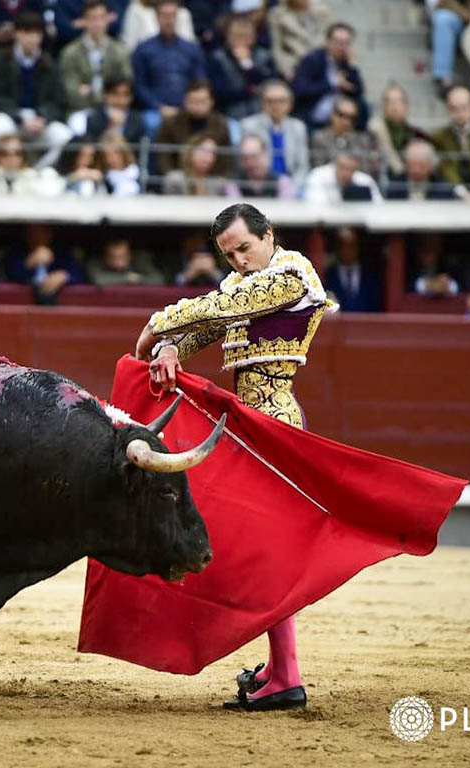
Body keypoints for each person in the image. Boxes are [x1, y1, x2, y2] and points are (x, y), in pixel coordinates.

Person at [134, 203, 339, 712]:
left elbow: (225, 305)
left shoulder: (293, 274)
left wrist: (157, 324)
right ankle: (280, 666)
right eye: (229, 255)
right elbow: (211, 321)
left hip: (275, 424)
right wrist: (170, 349)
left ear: (269, 236)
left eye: (245, 248)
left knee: (263, 552)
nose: (240, 262)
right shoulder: (241, 286)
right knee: (256, 550)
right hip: (249, 423)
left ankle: (287, 674)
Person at [0, 11, 72, 169]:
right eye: (27, 33)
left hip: (40, 121)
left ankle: (36, 172)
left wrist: (42, 117)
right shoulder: (1, 60)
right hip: (13, 118)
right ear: (17, 34)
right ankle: (6, 174)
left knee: (65, 137)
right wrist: (19, 117)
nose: (32, 38)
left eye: (37, 34)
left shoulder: (49, 64)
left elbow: (59, 101)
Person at [130, 0, 206, 136]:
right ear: (157, 18)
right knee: (150, 123)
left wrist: (189, 105)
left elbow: (199, 82)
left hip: (189, 108)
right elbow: (139, 86)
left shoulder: (192, 49)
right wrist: (159, 107)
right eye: (165, 16)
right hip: (154, 110)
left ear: (177, 18)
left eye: (172, 15)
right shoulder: (143, 50)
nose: (169, 20)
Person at [59, 0, 133, 115]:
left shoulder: (120, 51)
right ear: (84, 21)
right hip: (81, 111)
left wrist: (91, 92)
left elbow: (126, 87)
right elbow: (71, 93)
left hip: (115, 109)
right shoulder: (70, 53)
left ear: (108, 19)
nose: (98, 23)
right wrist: (109, 94)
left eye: (102, 18)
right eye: (93, 18)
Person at [292, 22, 366, 131]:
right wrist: (332, 83)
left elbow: (358, 92)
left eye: (346, 43)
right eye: (338, 42)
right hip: (313, 116)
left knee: (363, 105)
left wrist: (353, 67)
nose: (342, 47)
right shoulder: (312, 60)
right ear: (327, 41)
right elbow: (300, 90)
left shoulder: (347, 63)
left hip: (341, 118)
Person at [240, 80, 310, 193]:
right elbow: (246, 165)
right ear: (262, 104)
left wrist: (293, 190)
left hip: (291, 186)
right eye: (270, 101)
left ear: (290, 104)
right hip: (261, 186)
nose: (276, 106)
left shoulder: (298, 127)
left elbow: (302, 166)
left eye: (281, 101)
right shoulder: (249, 125)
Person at [154, 79, 232, 176]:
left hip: (212, 177)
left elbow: (226, 159)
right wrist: (170, 173)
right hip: (180, 175)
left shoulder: (220, 124)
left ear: (212, 101)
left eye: (202, 101)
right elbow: (163, 157)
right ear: (185, 101)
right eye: (193, 101)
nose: (198, 105)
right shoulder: (171, 123)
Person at [207, 14, 277, 120]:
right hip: (228, 115)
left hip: (262, 115)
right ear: (227, 36)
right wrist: (249, 91)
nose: (242, 40)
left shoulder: (265, 56)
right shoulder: (217, 58)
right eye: (237, 35)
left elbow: (270, 86)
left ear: (254, 37)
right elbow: (219, 92)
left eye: (246, 36)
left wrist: (247, 65)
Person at [5, 224, 83, 305]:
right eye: (31, 232)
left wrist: (64, 276)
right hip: (23, 306)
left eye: (39, 232)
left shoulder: (62, 254)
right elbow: (10, 275)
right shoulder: (16, 253)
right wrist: (27, 264)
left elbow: (79, 275)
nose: (34, 236)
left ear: (50, 234)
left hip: (57, 307)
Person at [367, 83, 428, 181]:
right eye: (389, 102)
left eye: (398, 102)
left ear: (406, 106)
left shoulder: (418, 135)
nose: (394, 106)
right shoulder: (373, 132)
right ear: (383, 106)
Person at [428, 0, 470, 97]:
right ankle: (444, 77)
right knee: (443, 19)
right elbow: (445, 2)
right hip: (462, 22)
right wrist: (468, 17)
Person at [0, 133, 66, 195]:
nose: (12, 157)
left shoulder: (30, 175)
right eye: (5, 153)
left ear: (23, 156)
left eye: (17, 153)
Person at [309, 96, 377, 174]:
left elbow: (366, 169)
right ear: (333, 114)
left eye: (352, 118)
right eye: (342, 115)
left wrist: (349, 140)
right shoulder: (320, 138)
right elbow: (319, 168)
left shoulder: (361, 140)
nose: (346, 122)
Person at [269, 0, 332, 82]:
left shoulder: (322, 11)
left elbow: (330, 37)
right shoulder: (278, 14)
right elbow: (276, 46)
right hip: (295, 63)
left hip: (321, 61)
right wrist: (285, 68)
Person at [323, 227, 381, 311]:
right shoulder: (327, 276)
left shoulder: (371, 277)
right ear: (337, 247)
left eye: (351, 245)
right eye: (343, 245)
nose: (347, 250)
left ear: (358, 247)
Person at [162, 134, 239, 196]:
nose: (210, 158)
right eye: (205, 151)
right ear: (190, 152)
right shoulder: (175, 179)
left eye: (213, 153)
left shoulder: (219, 183)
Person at [81, 75, 146, 143]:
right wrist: (113, 126)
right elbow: (93, 147)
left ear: (131, 97)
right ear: (105, 94)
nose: (121, 100)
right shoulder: (93, 118)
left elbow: (139, 150)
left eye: (125, 95)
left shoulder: (137, 119)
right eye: (115, 94)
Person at [385, 140, 455, 200]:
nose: (416, 170)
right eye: (412, 165)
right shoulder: (394, 186)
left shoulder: (443, 188)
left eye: (421, 166)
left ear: (431, 166)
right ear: (406, 164)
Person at [302, 150, 382, 202]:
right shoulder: (317, 176)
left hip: (358, 223)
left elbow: (379, 206)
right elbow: (317, 208)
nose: (346, 173)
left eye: (352, 170)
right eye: (343, 168)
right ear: (334, 165)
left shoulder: (365, 180)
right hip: (326, 225)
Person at [120, 0, 196, 53]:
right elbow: (129, 46)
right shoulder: (136, 9)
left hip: (179, 66)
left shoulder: (183, 13)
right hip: (147, 64)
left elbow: (190, 47)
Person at [87, 235, 164, 285]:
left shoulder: (140, 261)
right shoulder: (95, 263)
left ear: (130, 255)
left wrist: (138, 279)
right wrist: (128, 278)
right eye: (113, 257)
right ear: (105, 256)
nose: (118, 262)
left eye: (122, 257)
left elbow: (158, 279)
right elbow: (99, 280)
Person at [408, 232, 460, 296]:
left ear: (440, 248)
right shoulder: (406, 268)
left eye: (432, 245)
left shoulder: (450, 267)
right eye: (422, 245)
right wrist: (426, 285)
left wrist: (448, 285)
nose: (427, 250)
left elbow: (464, 287)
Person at [97, 130, 142, 196]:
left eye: (115, 153)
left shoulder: (137, 171)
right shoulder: (105, 176)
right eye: (107, 155)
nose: (111, 159)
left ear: (123, 152)